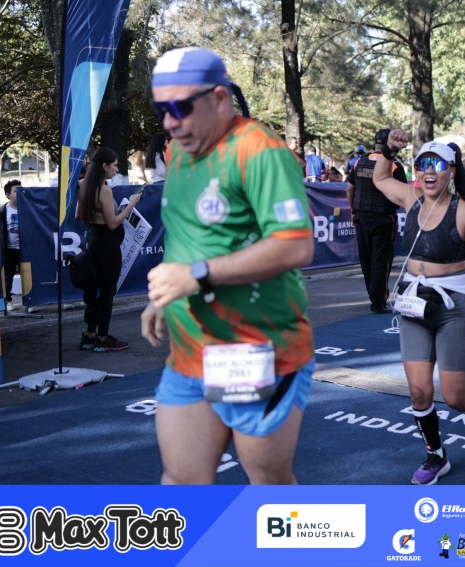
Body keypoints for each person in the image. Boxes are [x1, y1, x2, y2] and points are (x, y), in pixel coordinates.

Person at [142, 47, 315, 485]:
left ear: (220, 98)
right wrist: (165, 295)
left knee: (269, 484)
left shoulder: (259, 149)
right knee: (180, 486)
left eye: (179, 108)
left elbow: (295, 246)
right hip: (190, 353)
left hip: (257, 352)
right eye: (161, 110)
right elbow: (188, 237)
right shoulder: (178, 151)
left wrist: (195, 275)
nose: (169, 122)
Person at [373, 130, 465, 485]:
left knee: (455, 396)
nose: (429, 172)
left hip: (454, 304)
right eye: (423, 165)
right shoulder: (411, 198)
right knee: (419, 391)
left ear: (452, 171)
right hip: (414, 301)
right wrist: (389, 150)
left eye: (437, 165)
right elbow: (380, 178)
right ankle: (436, 455)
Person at [75, 147, 141, 352]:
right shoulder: (104, 190)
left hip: (94, 240)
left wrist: (98, 214)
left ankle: (90, 334)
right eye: (114, 165)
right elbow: (112, 223)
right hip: (107, 245)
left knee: (95, 291)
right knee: (107, 291)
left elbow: (79, 215)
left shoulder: (84, 185)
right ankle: (102, 337)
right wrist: (130, 205)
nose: (117, 169)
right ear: (104, 166)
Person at [347, 128, 408, 313]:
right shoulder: (394, 166)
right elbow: (403, 192)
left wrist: (353, 211)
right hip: (384, 218)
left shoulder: (359, 162)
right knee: (382, 260)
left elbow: (349, 189)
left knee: (366, 259)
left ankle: (374, 296)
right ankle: (378, 301)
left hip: (361, 216)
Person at [0, 179, 23, 312]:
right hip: (9, 249)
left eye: (21, 189)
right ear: (8, 194)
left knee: (28, 275)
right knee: (8, 276)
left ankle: (29, 302)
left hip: (24, 249)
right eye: (16, 190)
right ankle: (7, 301)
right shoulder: (3, 211)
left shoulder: (27, 208)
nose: (19, 192)